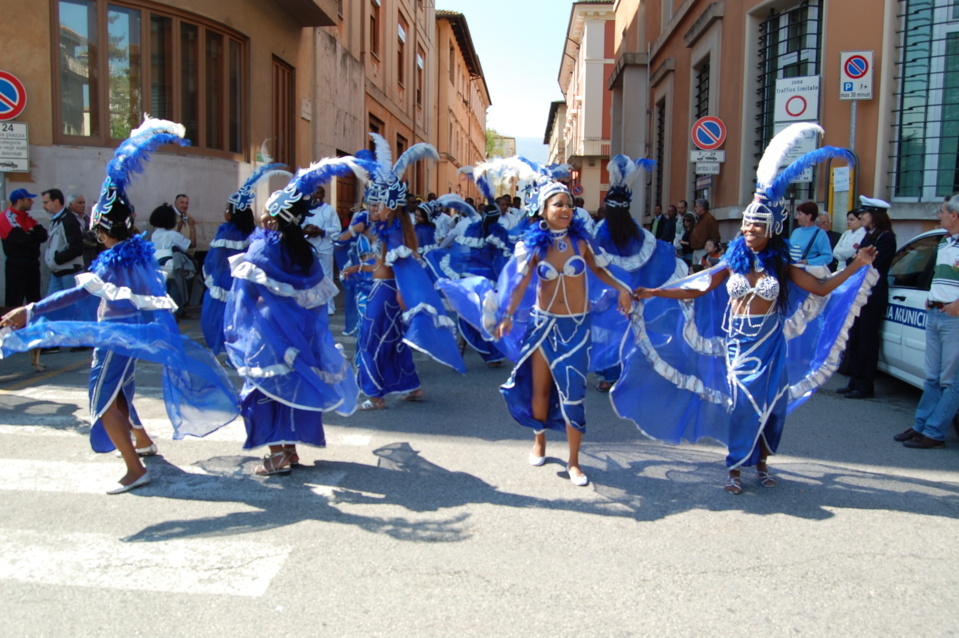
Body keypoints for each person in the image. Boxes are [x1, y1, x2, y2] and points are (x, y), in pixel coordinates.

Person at [616, 123, 877, 495]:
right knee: (741, 404)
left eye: (757, 226)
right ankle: (735, 466)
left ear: (771, 230)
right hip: (738, 343)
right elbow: (699, 286)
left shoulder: (782, 266)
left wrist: (857, 266)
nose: (750, 231)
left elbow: (821, 287)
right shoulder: (733, 261)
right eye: (747, 225)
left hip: (770, 345)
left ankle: (763, 463)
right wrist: (655, 291)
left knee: (772, 406)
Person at [0, 118, 238, 493]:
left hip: (115, 339)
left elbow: (76, 294)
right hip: (128, 338)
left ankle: (134, 468)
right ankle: (141, 441)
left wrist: (29, 310)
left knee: (101, 400)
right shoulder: (135, 254)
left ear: (101, 230)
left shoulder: (114, 260)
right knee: (122, 392)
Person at [488, 165, 632, 487]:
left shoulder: (582, 243)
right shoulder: (535, 247)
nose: (566, 210)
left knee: (573, 396)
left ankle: (574, 462)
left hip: (577, 328)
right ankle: (539, 440)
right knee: (539, 391)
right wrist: (508, 314)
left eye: (569, 204)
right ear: (543, 210)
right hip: (543, 327)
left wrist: (622, 289)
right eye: (559, 205)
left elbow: (600, 272)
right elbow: (521, 284)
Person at [225, 157, 367, 475]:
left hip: (268, 336)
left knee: (260, 391)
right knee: (290, 387)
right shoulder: (305, 253)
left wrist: (241, 330)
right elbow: (314, 303)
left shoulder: (262, 251)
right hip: (299, 336)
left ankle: (277, 455)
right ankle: (288, 450)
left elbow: (246, 297)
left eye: (265, 211)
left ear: (274, 218)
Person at [343, 133, 465, 410]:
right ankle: (411, 386)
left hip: (386, 295)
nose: (371, 209)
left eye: (376, 204)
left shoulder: (393, 231)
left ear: (389, 207)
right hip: (385, 290)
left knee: (371, 341)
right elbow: (382, 264)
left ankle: (375, 395)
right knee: (394, 340)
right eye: (370, 204)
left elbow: (400, 266)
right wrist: (358, 266)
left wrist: (402, 294)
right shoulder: (390, 229)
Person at [590, 155, 684, 392]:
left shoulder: (600, 231)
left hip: (608, 292)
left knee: (607, 329)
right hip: (633, 291)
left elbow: (591, 260)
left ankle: (610, 375)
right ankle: (629, 370)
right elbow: (653, 256)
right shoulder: (637, 232)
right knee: (630, 327)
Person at [201, 159, 288, 355]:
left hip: (225, 280)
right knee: (242, 317)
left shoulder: (226, 232)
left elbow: (215, 259)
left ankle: (225, 350)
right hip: (245, 280)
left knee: (218, 317)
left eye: (226, 209)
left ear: (231, 213)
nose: (224, 212)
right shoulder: (253, 232)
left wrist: (212, 276)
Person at [893, 195, 959, 448]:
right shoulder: (944, 242)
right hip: (936, 313)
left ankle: (934, 432)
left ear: (954, 215)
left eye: (942, 211)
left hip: (954, 318)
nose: (938, 215)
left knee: (950, 380)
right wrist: (933, 298)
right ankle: (920, 425)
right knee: (931, 377)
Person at [838, 196, 896, 399]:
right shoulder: (869, 236)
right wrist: (858, 260)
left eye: (865, 213)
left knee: (867, 342)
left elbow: (869, 264)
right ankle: (854, 380)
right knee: (855, 339)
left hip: (872, 295)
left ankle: (864, 385)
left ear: (876, 215)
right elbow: (852, 261)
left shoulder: (886, 237)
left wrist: (858, 260)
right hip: (860, 294)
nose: (861, 216)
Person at [1, 188, 48, 307]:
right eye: (28, 199)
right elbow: (20, 239)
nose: (32, 202)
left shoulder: (27, 217)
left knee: (34, 300)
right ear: (20, 201)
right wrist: (33, 235)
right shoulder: (6, 216)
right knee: (14, 301)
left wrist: (30, 235)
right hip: (16, 265)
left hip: (32, 264)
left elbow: (43, 235)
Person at [150, 203, 196, 316]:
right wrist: (192, 227)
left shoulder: (154, 234)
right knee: (175, 297)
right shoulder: (173, 235)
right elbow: (192, 244)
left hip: (157, 267)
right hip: (172, 269)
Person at [302, 185, 342, 316]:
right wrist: (307, 231)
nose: (316, 196)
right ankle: (311, 304)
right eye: (314, 193)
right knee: (309, 276)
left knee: (327, 277)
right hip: (308, 247)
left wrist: (322, 231)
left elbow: (337, 229)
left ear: (323, 195)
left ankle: (329, 305)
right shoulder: (304, 210)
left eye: (319, 193)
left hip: (325, 248)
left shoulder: (329, 210)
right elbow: (299, 226)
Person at [42, 188, 85, 295]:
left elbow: (76, 248)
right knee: (51, 306)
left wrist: (58, 259)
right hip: (57, 272)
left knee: (72, 306)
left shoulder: (68, 220)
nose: (44, 206)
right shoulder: (57, 219)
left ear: (56, 202)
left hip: (69, 272)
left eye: (46, 202)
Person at [788, 201, 833, 269]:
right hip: (791, 270)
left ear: (809, 216)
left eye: (799, 214)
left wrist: (809, 262)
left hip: (805, 273)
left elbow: (828, 257)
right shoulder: (796, 231)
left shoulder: (820, 234)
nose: (797, 217)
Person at [68, 193, 100, 268]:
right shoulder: (68, 219)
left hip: (89, 257)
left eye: (84, 202)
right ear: (71, 204)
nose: (83, 205)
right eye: (80, 203)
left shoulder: (87, 218)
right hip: (75, 261)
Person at [688, 198, 720, 263]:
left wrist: (710, 248)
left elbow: (714, 235)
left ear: (702, 207)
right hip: (696, 249)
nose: (695, 209)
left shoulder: (709, 219)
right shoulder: (700, 218)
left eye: (696, 206)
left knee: (701, 269)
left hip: (703, 250)